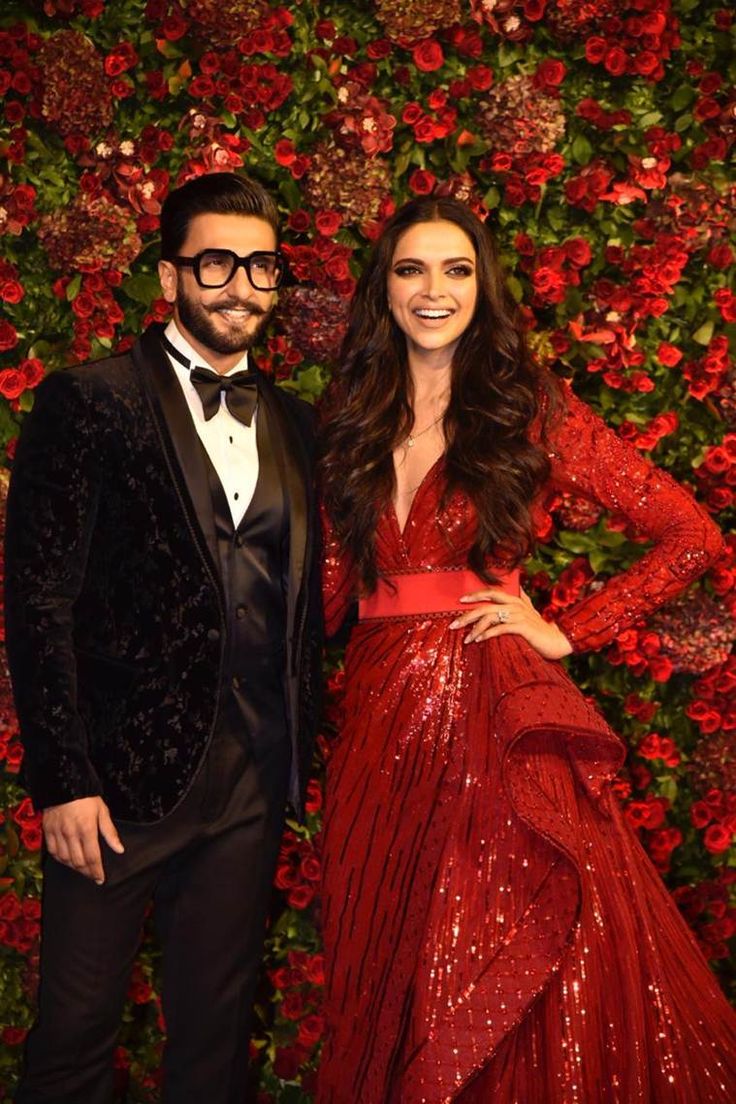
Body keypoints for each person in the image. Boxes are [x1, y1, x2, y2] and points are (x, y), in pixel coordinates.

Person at [317, 196, 736, 1103]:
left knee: (483, 939)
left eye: (457, 270)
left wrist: (566, 631)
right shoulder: (350, 412)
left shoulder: (529, 409)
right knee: (380, 937)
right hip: (377, 717)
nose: (435, 290)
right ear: (382, 287)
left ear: (484, 287)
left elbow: (691, 534)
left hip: (486, 710)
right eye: (412, 269)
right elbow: (322, 594)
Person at [4, 171, 322, 1104]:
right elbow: (40, 600)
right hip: (114, 789)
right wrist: (63, 778)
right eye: (217, 261)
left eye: (261, 266)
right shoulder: (88, 401)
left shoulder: (298, 423)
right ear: (171, 274)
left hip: (251, 778)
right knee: (73, 1036)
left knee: (214, 1040)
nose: (241, 286)